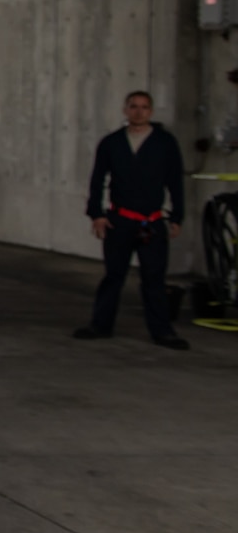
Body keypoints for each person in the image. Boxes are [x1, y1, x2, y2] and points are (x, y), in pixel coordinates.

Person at [76, 89, 188, 349]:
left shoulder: (164, 142)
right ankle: (100, 325)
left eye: (144, 107)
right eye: (134, 106)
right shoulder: (112, 143)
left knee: (154, 278)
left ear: (151, 111)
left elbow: (175, 182)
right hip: (120, 220)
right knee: (114, 275)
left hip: (152, 220)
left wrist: (177, 216)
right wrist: (97, 214)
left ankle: (162, 332)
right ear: (126, 110)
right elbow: (97, 180)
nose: (139, 111)